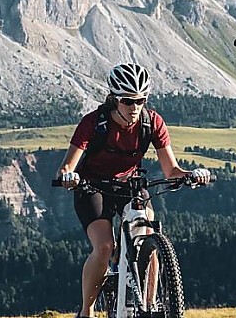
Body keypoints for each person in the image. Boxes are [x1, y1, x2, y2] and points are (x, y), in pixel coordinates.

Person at [58, 62, 211, 318]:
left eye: (141, 100)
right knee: (105, 246)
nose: (135, 107)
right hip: (92, 186)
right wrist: (68, 178)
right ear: (115, 99)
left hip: (130, 185)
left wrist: (192, 175)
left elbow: (171, 170)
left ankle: (147, 307)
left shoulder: (152, 123)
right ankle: (86, 310)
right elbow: (67, 166)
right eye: (128, 101)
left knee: (148, 237)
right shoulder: (94, 123)